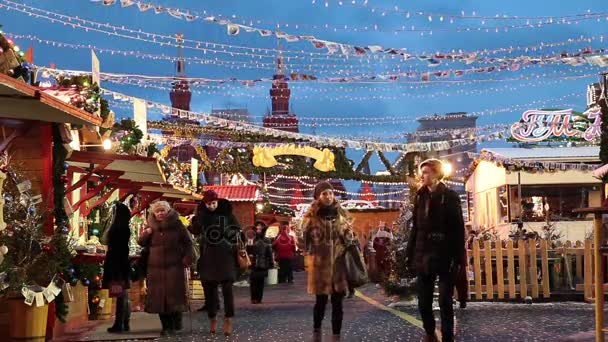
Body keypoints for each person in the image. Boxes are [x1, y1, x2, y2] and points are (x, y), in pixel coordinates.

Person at [406, 159, 465, 342]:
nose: (423, 176)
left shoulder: (449, 196)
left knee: (445, 301)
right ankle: (429, 331)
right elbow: (416, 227)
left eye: (427, 172)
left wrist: (457, 256)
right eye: (422, 172)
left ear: (437, 174)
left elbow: (458, 228)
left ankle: (447, 336)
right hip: (424, 252)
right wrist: (410, 253)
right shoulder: (420, 196)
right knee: (423, 301)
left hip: (444, 252)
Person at [304, 181, 353, 341]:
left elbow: (349, 240)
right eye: (324, 193)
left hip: (339, 266)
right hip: (320, 266)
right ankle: (316, 331)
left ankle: (336, 336)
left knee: (338, 303)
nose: (329, 196)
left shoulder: (342, 215)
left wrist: (349, 235)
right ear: (318, 197)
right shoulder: (311, 217)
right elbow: (303, 242)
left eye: (331, 193)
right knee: (321, 302)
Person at [190, 190, 241, 336]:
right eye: (208, 204)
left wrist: (227, 234)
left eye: (213, 203)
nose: (211, 206)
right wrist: (194, 223)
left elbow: (237, 231)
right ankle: (212, 318)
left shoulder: (227, 214)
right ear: (204, 204)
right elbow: (195, 231)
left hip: (226, 256)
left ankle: (228, 319)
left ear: (217, 202)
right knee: (209, 290)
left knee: (227, 290)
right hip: (208, 257)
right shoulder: (201, 215)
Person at [139, 201, 193, 336]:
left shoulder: (178, 225)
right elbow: (141, 242)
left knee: (173, 297)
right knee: (159, 299)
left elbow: (188, 243)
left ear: (168, 211)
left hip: (174, 267)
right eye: (157, 211)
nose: (160, 213)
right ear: (153, 213)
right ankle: (166, 327)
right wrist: (147, 233)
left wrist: (187, 258)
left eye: (162, 210)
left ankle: (176, 323)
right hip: (155, 269)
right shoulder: (150, 227)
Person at [102, 202, 132, 333]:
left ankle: (119, 323)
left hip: (116, 264)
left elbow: (107, 242)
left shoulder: (116, 229)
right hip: (122, 264)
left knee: (121, 294)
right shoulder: (124, 228)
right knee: (123, 294)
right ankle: (124, 322)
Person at [247, 221, 274, 304]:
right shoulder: (251, 239)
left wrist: (271, 262)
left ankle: (258, 298)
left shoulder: (266, 240)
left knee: (260, 282)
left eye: (260, 227)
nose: (259, 228)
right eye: (257, 227)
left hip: (263, 263)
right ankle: (253, 298)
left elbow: (269, 252)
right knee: (253, 281)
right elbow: (248, 250)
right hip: (253, 262)